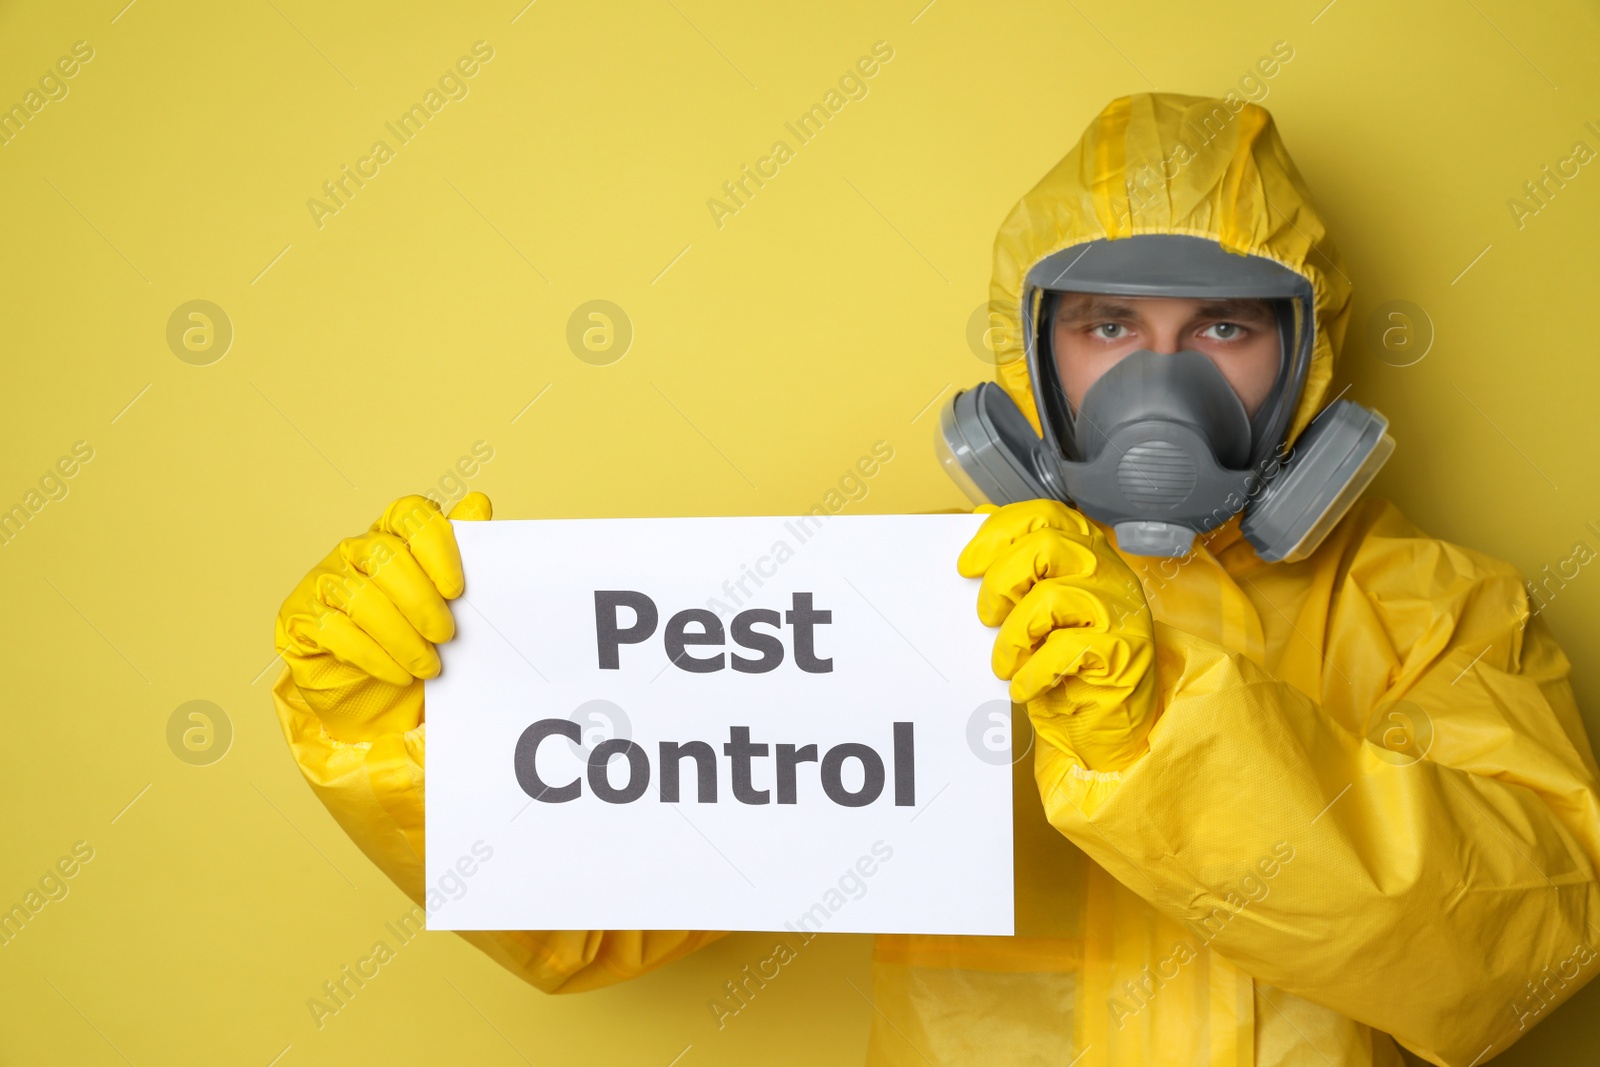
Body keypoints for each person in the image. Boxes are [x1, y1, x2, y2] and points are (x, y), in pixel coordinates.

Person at [272, 93, 1600, 1065]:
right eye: (1105, 327)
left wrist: (1167, 736)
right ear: (1032, 355)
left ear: (1307, 355)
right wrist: (408, 733)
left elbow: (1522, 959)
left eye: (1223, 326)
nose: (1162, 379)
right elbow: (594, 917)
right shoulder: (907, 608)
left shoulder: (1432, 612)